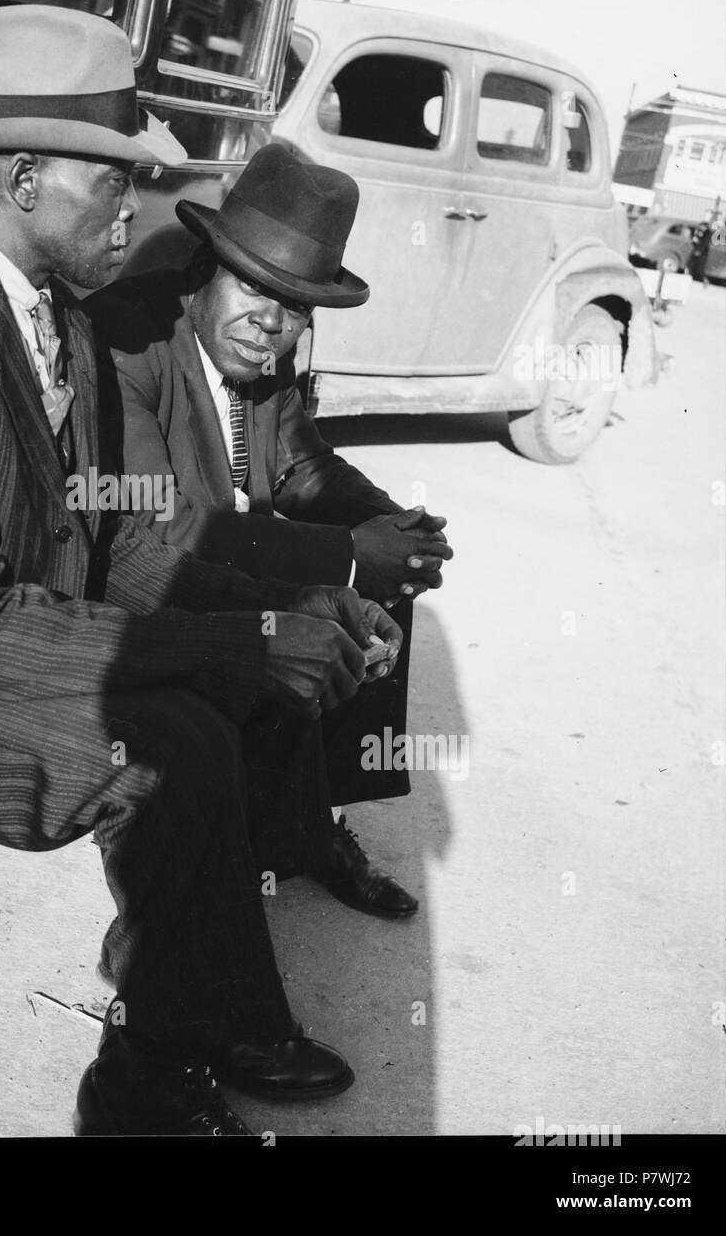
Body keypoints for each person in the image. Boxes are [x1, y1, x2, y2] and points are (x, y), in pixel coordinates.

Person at [0, 5, 404, 1136]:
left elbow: (109, 543)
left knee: (217, 713)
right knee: (169, 752)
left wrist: (286, 603)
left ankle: (196, 991)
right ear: (23, 178)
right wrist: (242, 641)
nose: (136, 203)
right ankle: (141, 1088)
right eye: (113, 179)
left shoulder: (48, 313)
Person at [87, 144, 453, 916]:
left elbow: (297, 463)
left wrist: (384, 522)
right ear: (205, 268)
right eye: (253, 288)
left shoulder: (262, 352)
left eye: (294, 308)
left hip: (221, 561)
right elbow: (170, 531)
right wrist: (350, 556)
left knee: (386, 579)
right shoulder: (126, 341)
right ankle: (250, 835)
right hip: (144, 591)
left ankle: (310, 824)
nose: (270, 324)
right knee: (344, 579)